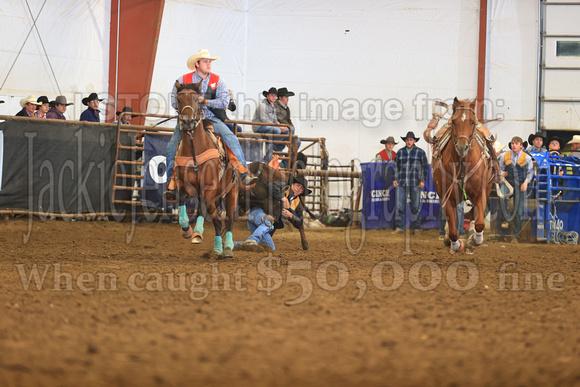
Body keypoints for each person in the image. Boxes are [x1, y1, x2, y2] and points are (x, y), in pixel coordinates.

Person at [165, 48, 257, 200]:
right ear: (197, 63)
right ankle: (171, 183)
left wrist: (205, 101)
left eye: (210, 62)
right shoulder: (182, 80)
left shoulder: (218, 81)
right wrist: (187, 109)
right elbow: (175, 101)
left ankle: (243, 173)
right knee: (171, 146)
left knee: (231, 139)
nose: (209, 64)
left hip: (210, 118)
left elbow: (224, 102)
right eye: (205, 61)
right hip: (188, 120)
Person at [240, 175, 311, 250]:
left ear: (302, 192)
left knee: (270, 247)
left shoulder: (296, 203)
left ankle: (235, 245)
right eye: (298, 185)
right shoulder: (284, 187)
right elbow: (270, 186)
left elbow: (300, 222)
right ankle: (252, 239)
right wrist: (282, 198)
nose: (298, 189)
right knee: (269, 224)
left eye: (301, 188)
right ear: (292, 184)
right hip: (258, 213)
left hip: (263, 222)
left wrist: (291, 216)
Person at [392, 131, 428, 234]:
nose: (409, 141)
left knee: (415, 206)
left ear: (414, 141)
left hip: (415, 182)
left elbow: (425, 167)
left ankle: (416, 228)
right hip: (401, 182)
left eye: (411, 140)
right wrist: (395, 178)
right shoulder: (400, 152)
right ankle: (400, 227)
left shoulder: (420, 152)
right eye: (407, 140)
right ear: (405, 141)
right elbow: (395, 166)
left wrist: (422, 180)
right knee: (400, 206)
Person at [499, 136, 534, 243]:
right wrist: (502, 174)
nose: (514, 145)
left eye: (516, 143)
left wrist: (526, 182)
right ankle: (507, 219)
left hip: (520, 185)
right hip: (508, 184)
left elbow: (530, 172)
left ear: (521, 146)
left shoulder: (527, 158)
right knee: (502, 196)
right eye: (513, 143)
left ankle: (515, 236)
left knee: (519, 212)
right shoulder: (504, 156)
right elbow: (499, 168)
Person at [253, 87, 292, 161]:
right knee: (277, 131)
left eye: (275, 96)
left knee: (286, 130)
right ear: (267, 96)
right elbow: (264, 120)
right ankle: (269, 151)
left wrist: (280, 126)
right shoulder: (263, 105)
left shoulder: (273, 106)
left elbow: (275, 120)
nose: (274, 97)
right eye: (272, 95)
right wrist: (278, 127)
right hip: (259, 126)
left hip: (268, 126)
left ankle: (275, 147)